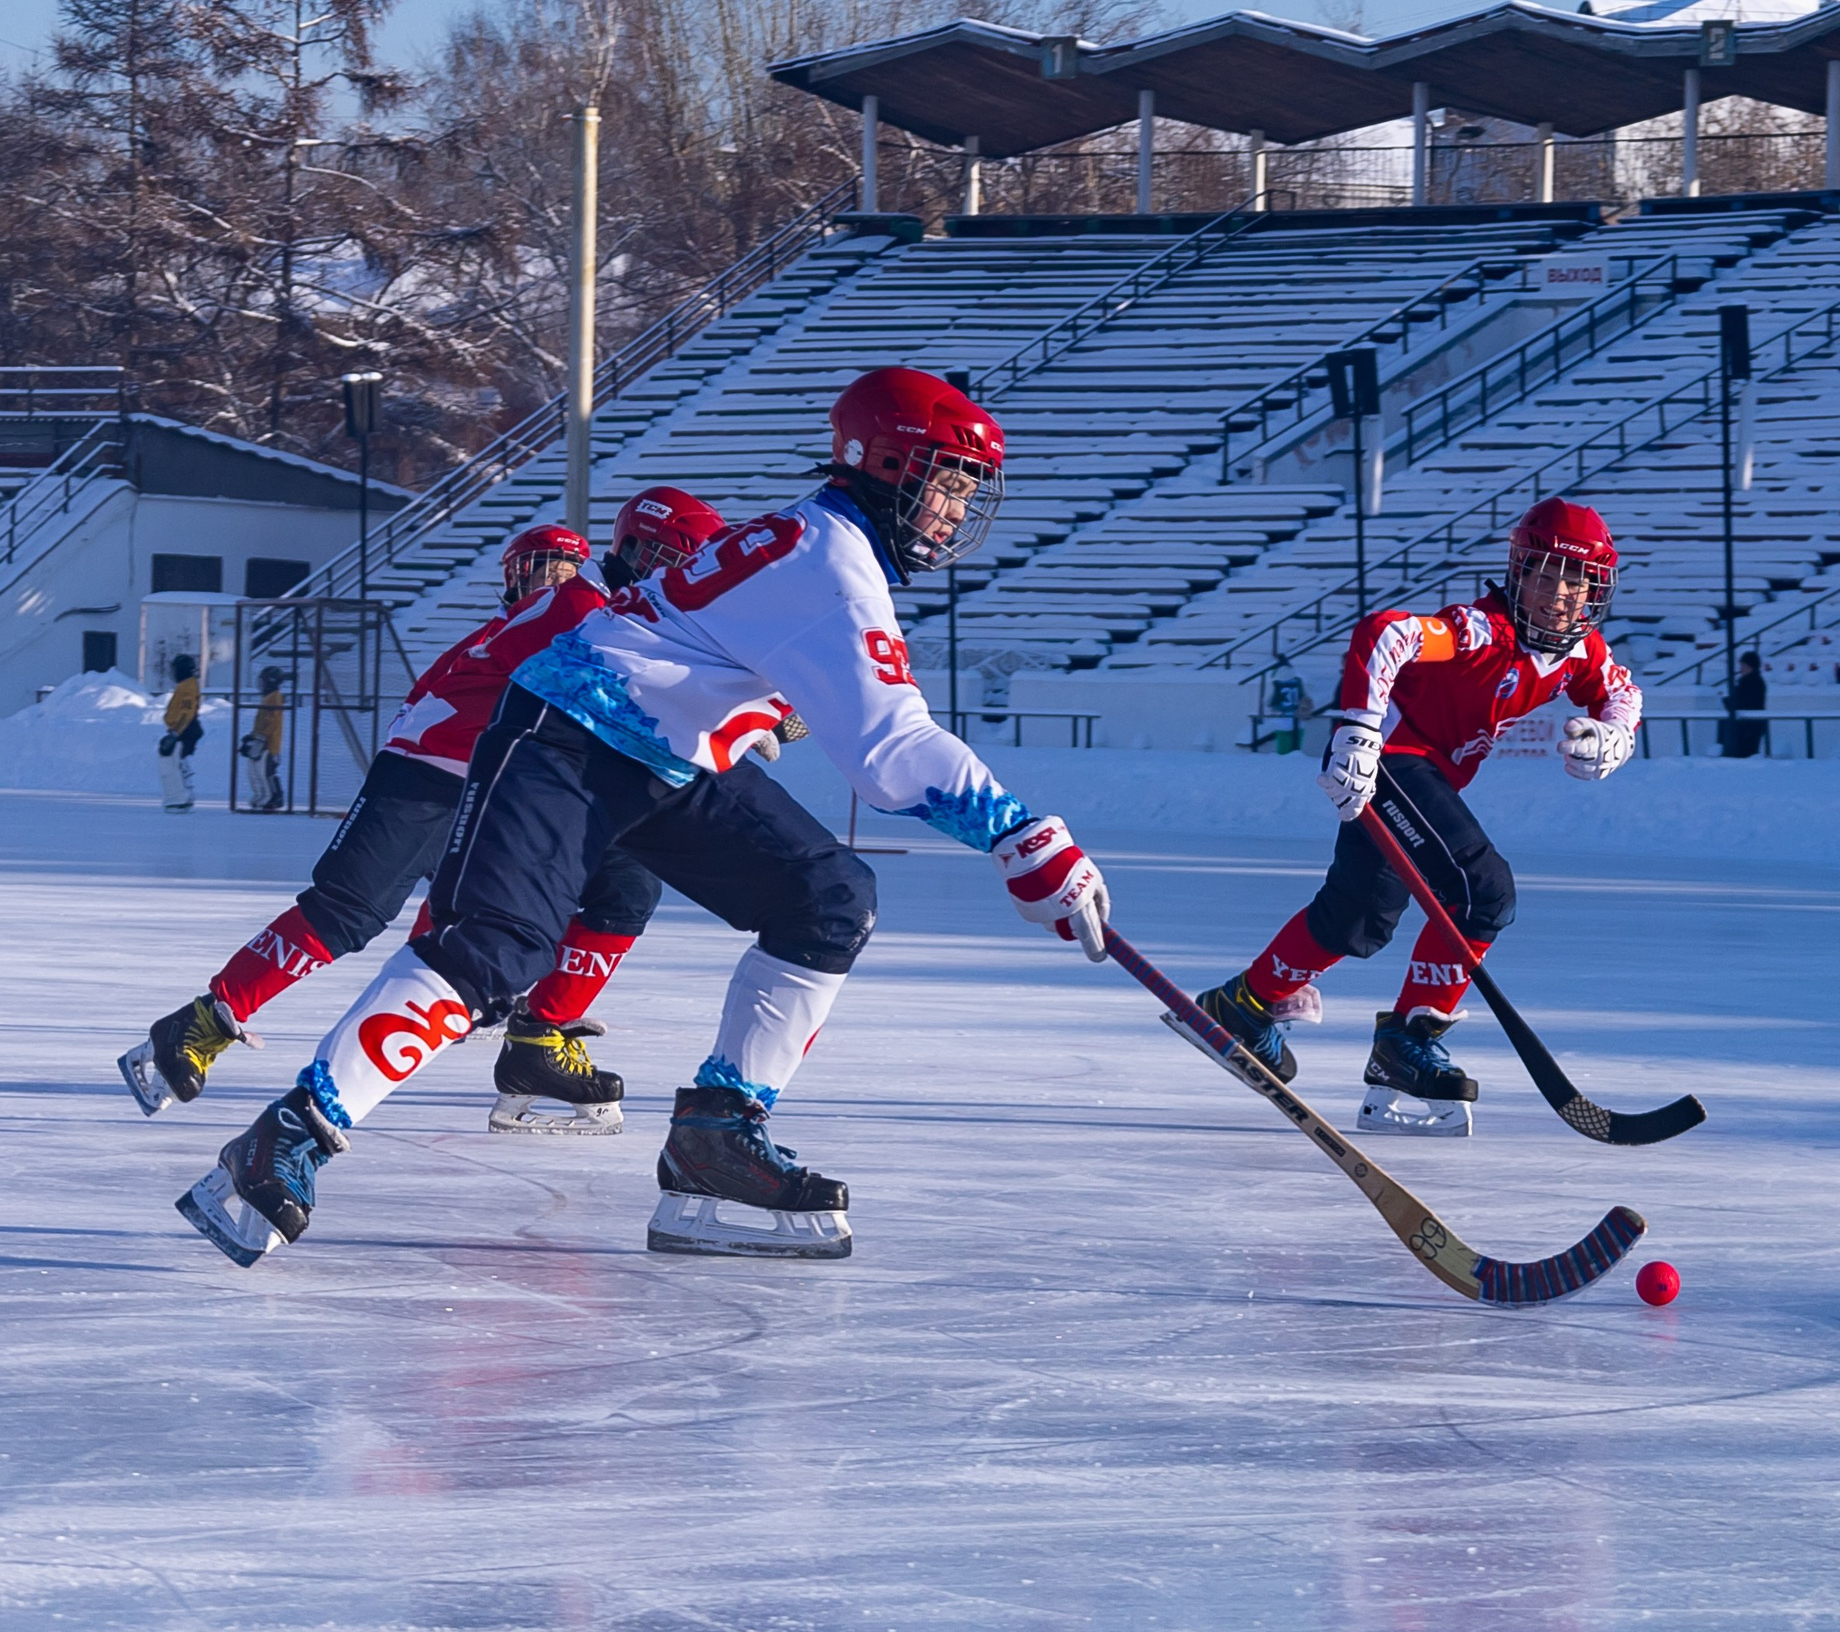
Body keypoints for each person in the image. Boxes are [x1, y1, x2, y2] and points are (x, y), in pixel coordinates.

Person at [173, 368, 1111, 1269]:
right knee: (492, 952)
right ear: (894, 464)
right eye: (950, 484)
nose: (955, 513)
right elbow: (890, 752)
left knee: (830, 895)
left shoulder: (823, 542)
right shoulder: (834, 563)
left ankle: (719, 1135)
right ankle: (286, 1138)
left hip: (663, 756)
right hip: (566, 736)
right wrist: (1023, 836)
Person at [122, 507, 738, 1138]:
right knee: (348, 912)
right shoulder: (578, 605)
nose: (685, 575)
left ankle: (540, 1040)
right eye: (675, 560)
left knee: (624, 883)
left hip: (511, 784)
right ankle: (200, 1023)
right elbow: (630, 689)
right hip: (435, 770)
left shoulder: (624, 610)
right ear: (636, 551)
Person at [1193, 497, 1639, 1139]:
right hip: (1388, 762)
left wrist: (1614, 735)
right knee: (1482, 891)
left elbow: (1621, 692)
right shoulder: (1481, 630)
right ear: (1518, 573)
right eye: (1547, 574)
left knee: (1355, 917)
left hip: (1415, 774)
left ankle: (1244, 1004)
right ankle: (1409, 1040)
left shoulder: (1579, 652)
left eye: (1579, 580)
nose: (1561, 594)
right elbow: (1386, 633)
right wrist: (1357, 734)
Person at [239, 665, 289, 810]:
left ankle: (272, 797)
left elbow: (271, 721)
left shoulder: (275, 697)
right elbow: (261, 721)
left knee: (265, 771)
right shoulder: (267, 698)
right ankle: (261, 795)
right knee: (254, 771)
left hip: (269, 744)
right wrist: (253, 735)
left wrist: (261, 737)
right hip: (261, 741)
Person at [158, 654, 204, 812]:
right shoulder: (186, 684)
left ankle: (178, 798)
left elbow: (187, 711)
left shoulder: (188, 686)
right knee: (177, 761)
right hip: (184, 728)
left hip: (185, 729)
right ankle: (183, 795)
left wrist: (177, 733)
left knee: (172, 762)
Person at [1719, 650, 1767, 757]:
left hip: (1746, 728)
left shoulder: (1749, 683)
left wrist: (1726, 700)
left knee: (1742, 756)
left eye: (1743, 665)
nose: (1741, 668)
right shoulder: (1754, 681)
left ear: (1751, 666)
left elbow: (1742, 703)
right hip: (1750, 727)